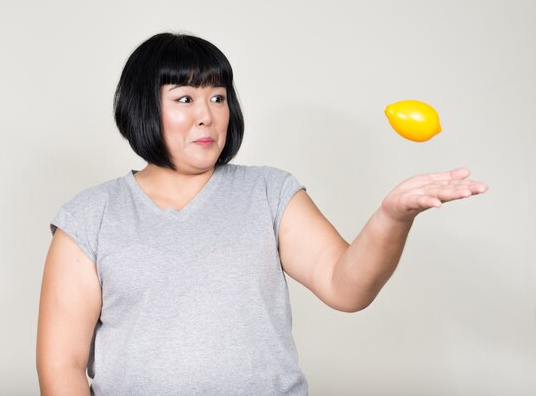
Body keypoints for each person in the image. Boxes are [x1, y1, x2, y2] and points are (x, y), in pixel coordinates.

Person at [36, 33, 487, 395]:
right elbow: (63, 368)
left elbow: (346, 287)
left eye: (217, 97)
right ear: (142, 108)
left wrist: (392, 217)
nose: (207, 116)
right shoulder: (91, 217)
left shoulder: (269, 192)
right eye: (185, 98)